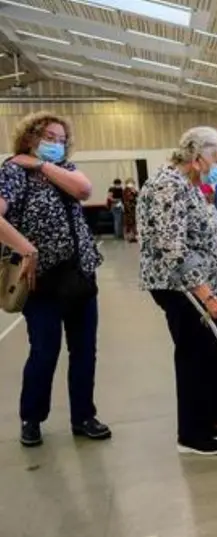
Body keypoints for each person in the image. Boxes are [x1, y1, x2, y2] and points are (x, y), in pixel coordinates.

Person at [137, 126, 217, 456]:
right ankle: (191, 433)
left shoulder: (186, 184)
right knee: (194, 355)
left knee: (215, 352)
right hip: (180, 286)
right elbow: (172, 247)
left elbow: (190, 230)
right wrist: (208, 296)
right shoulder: (167, 186)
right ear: (197, 154)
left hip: (196, 282)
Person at [0, 112, 111, 447]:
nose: (56, 143)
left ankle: (83, 416)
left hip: (79, 275)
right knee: (44, 352)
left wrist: (41, 165)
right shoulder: (12, 172)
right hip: (41, 280)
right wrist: (26, 249)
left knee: (84, 351)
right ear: (30, 137)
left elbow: (84, 189)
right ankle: (31, 418)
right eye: (49, 137)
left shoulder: (64, 170)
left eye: (61, 139)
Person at [122, 177, 138, 242]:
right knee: (129, 223)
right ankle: (129, 237)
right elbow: (127, 199)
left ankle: (134, 236)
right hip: (128, 209)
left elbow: (136, 196)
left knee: (134, 223)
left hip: (134, 209)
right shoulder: (126, 190)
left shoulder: (134, 189)